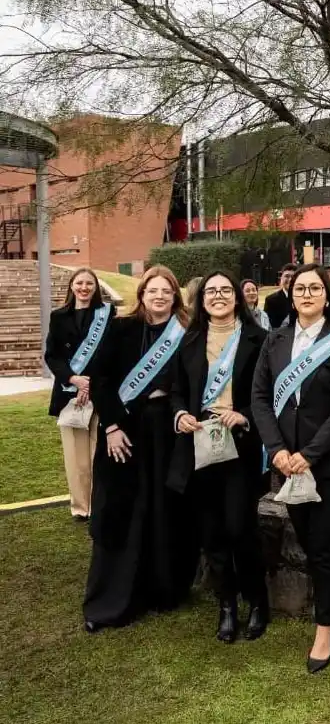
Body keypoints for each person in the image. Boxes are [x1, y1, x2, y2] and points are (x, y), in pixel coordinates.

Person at [251, 263, 330, 671]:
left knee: (323, 548)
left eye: (315, 287)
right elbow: (260, 398)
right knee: (312, 545)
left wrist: (309, 453)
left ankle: (324, 629)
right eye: (301, 288)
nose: (308, 294)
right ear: (291, 293)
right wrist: (277, 449)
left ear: (326, 295)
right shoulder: (274, 340)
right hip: (288, 465)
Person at [84, 266, 196, 632]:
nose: (160, 296)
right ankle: (113, 600)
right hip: (125, 429)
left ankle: (163, 590)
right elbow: (99, 381)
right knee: (122, 507)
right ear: (142, 294)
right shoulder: (120, 329)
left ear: (175, 296)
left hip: (168, 429)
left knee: (165, 506)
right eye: (153, 290)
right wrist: (112, 426)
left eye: (167, 291)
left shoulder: (186, 332)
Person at [169, 271, 270, 643]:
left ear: (237, 297)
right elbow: (177, 390)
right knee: (211, 531)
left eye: (225, 290)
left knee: (240, 528)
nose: (218, 296)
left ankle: (258, 602)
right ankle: (226, 605)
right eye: (211, 291)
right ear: (202, 299)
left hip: (240, 443)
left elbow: (270, 392)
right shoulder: (190, 339)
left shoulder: (260, 339)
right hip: (200, 443)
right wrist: (179, 414)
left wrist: (243, 413)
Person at [44, 268, 116, 522]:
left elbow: (111, 354)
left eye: (89, 283)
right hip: (68, 394)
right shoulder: (58, 316)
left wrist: (90, 383)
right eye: (79, 283)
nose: (84, 288)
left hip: (100, 393)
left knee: (99, 454)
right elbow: (52, 355)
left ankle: (99, 503)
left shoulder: (108, 315)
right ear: (72, 286)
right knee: (75, 457)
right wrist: (73, 379)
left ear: (96, 287)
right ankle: (80, 506)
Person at [263, 263, 299, 329]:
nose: (290, 279)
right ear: (281, 278)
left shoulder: (303, 298)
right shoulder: (271, 300)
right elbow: (269, 326)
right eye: (287, 276)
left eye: (293, 277)